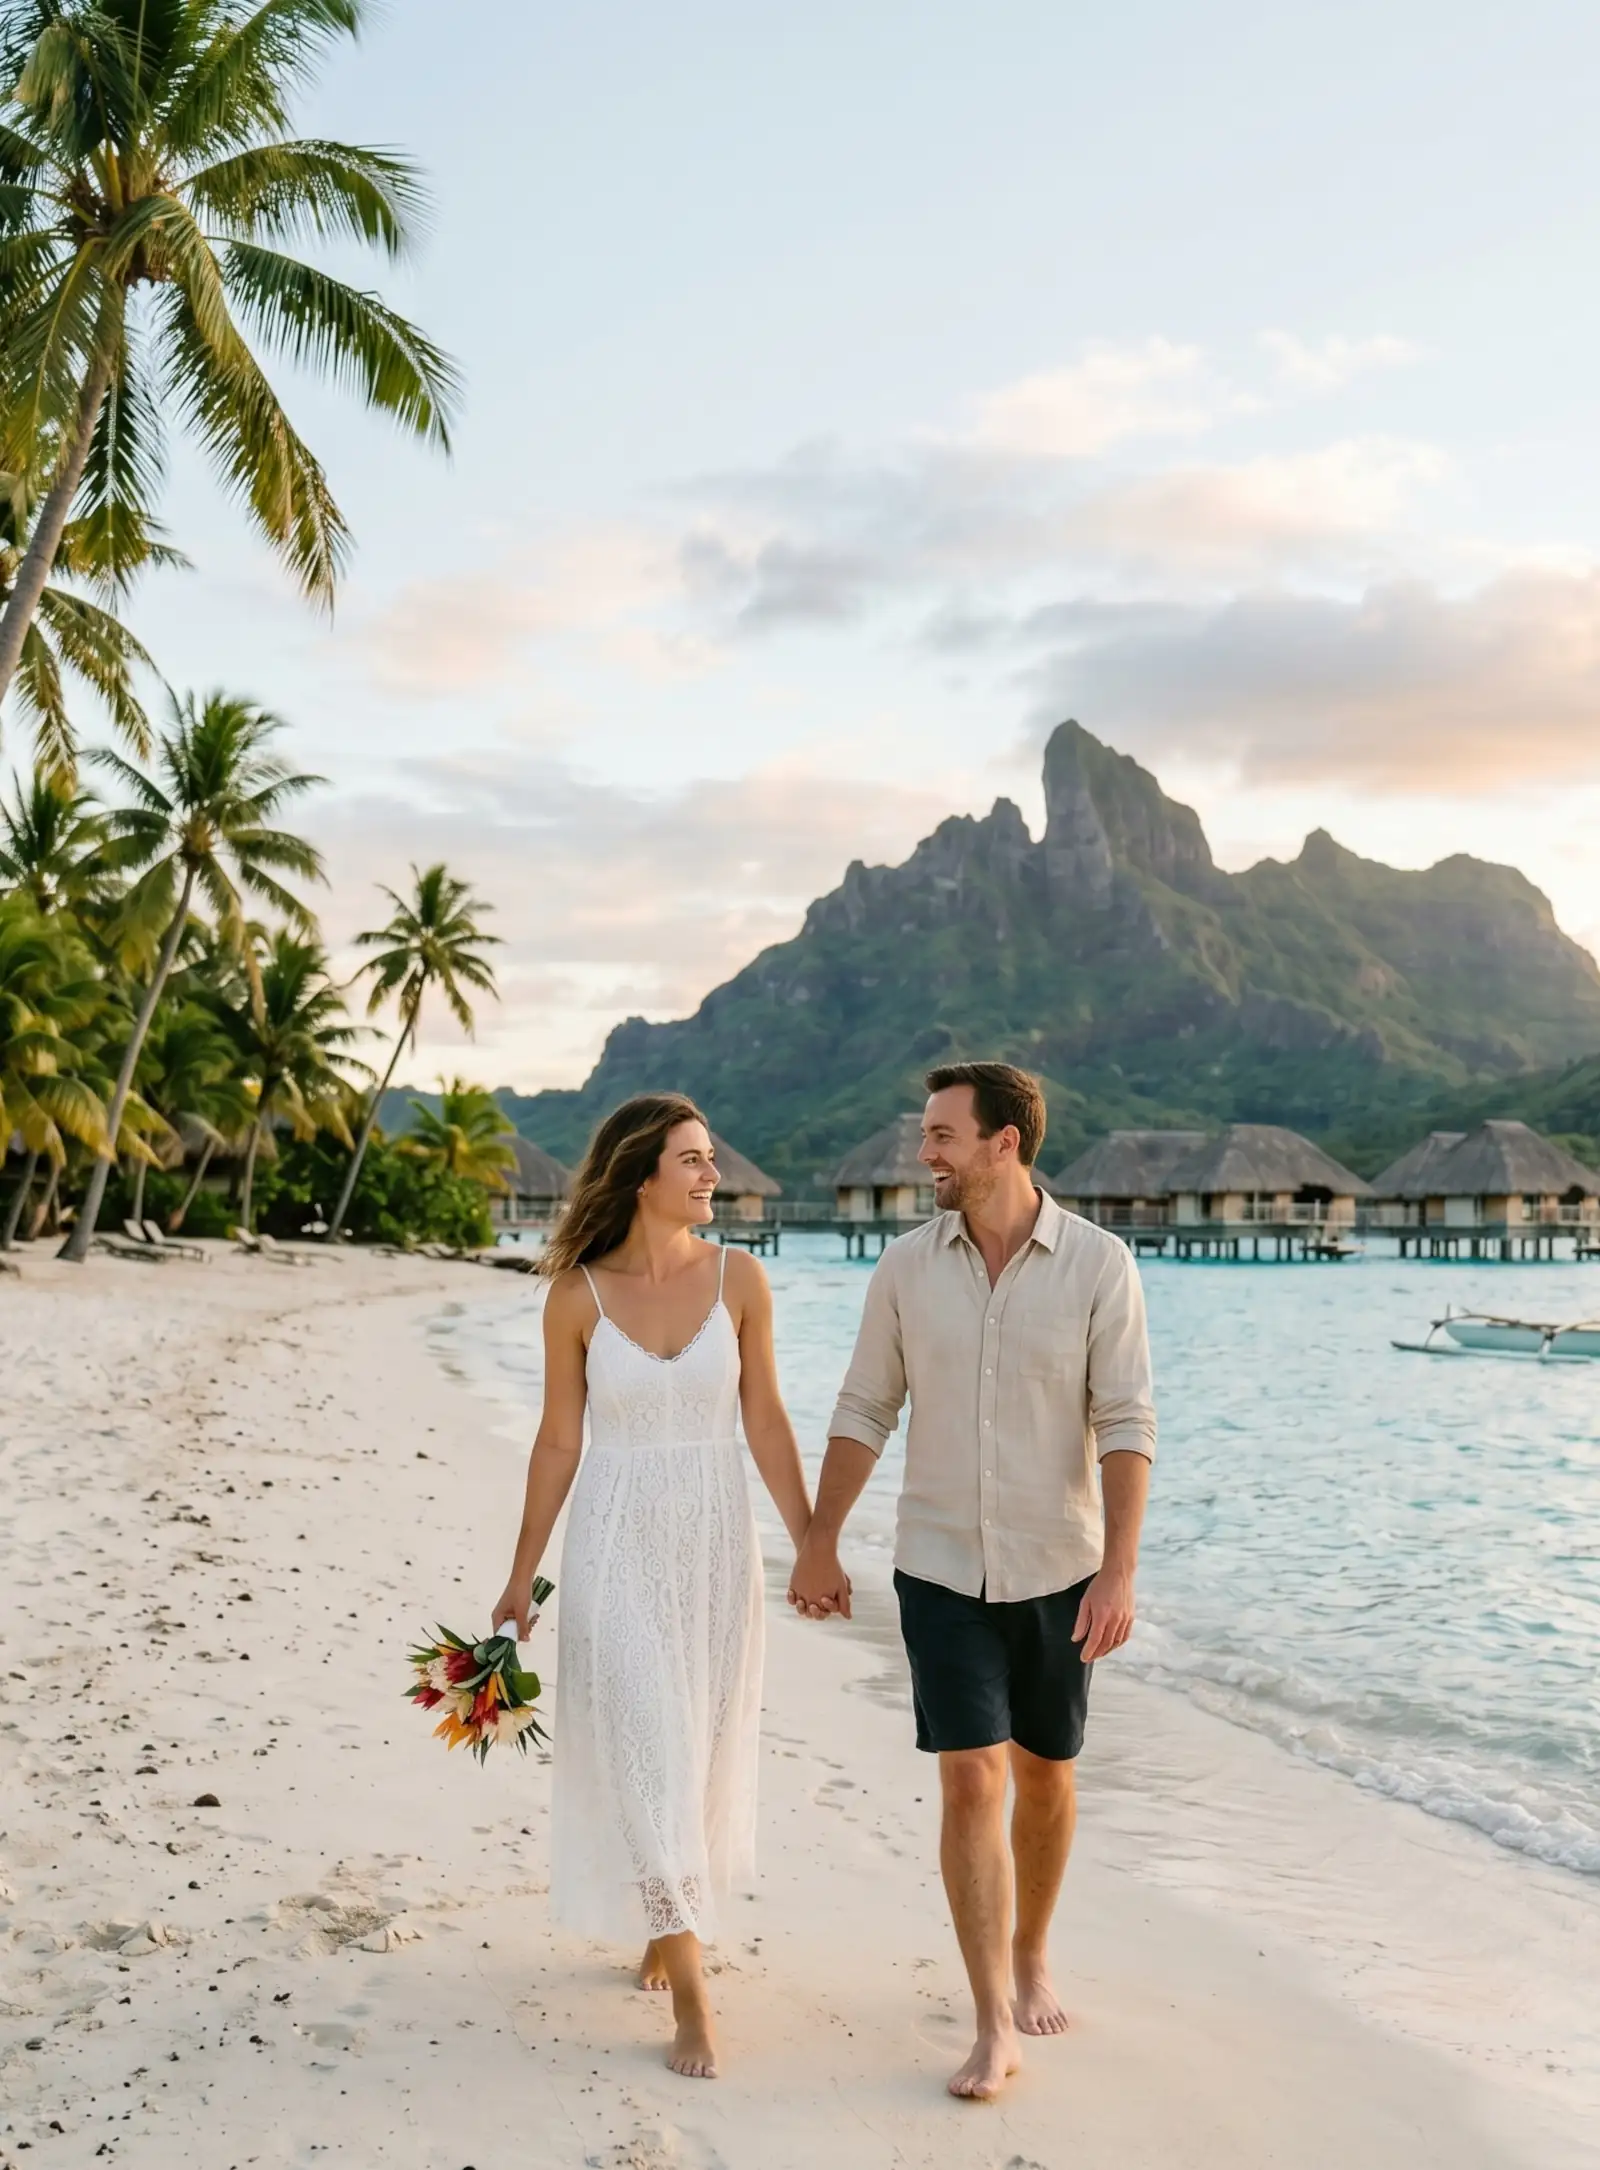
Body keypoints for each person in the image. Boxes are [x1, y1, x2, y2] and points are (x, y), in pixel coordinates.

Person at [788, 1061, 1155, 2103]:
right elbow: (865, 1405)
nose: (923, 1153)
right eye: (924, 1133)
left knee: (1043, 1773)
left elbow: (1126, 1422)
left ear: (1005, 1142)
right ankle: (992, 2013)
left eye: (942, 1135)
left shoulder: (1099, 1265)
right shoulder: (905, 1267)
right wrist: (820, 1537)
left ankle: (1032, 1947)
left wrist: (1118, 1571)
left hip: (1059, 1568)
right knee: (969, 1776)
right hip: (939, 1563)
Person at [493, 1093, 812, 2080]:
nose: (714, 1174)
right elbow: (558, 1440)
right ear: (641, 1173)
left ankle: (662, 1922)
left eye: (710, 1157)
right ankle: (693, 2003)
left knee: (702, 1754)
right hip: (617, 1543)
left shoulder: (742, 1279)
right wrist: (519, 1576)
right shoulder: (577, 1297)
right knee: (648, 1750)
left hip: (717, 1548)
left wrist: (814, 1542)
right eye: (694, 1159)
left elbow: (765, 1421)